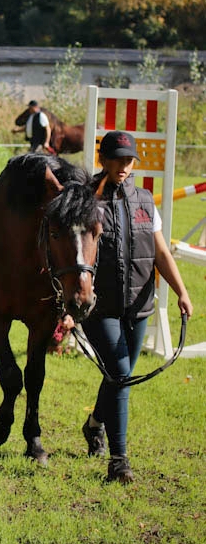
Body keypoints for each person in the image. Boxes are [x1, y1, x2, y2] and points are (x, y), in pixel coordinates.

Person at [81, 130, 193, 484]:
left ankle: (94, 424)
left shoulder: (144, 199)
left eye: (129, 161)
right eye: (117, 160)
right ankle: (119, 460)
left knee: (119, 376)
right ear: (103, 160)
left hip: (139, 304)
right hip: (99, 306)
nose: (124, 167)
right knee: (120, 374)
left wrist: (181, 291)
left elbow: (160, 252)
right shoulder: (85, 201)